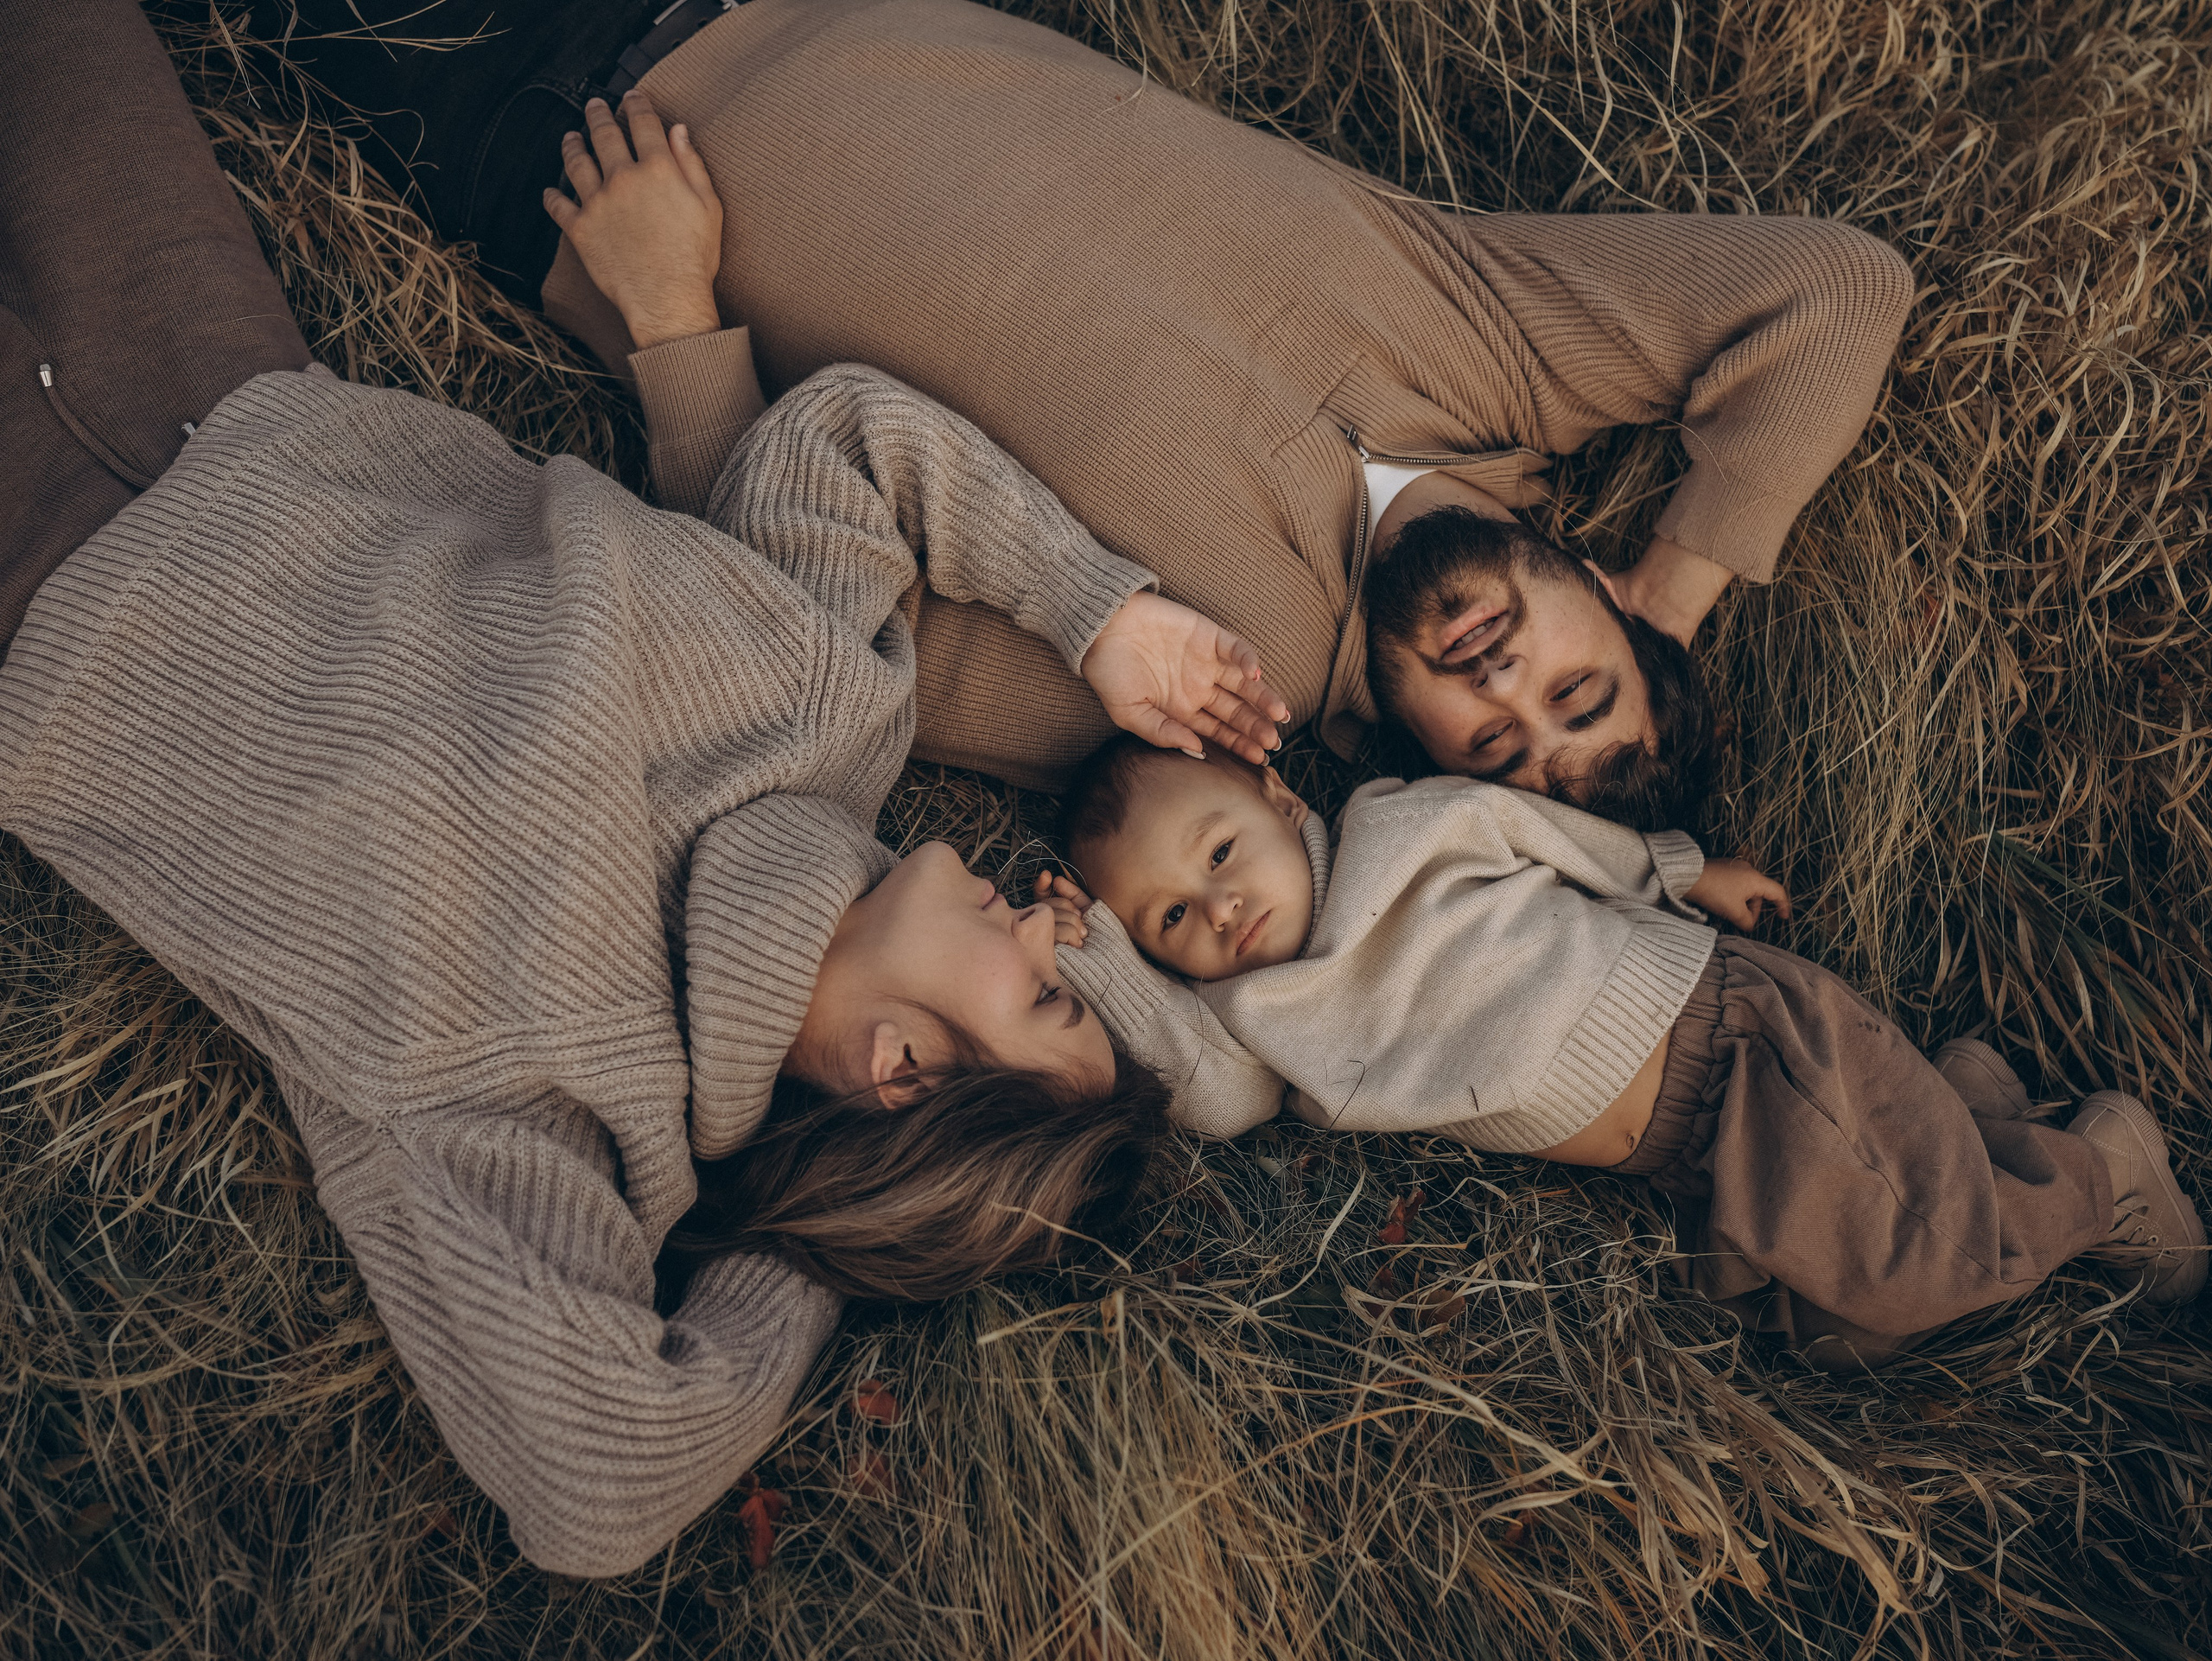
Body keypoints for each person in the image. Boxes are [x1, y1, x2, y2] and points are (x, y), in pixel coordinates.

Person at [0, 23, 1293, 1575]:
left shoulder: (552, 1105)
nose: (1049, 916)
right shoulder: (829, 719)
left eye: (1050, 989)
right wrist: (1094, 608)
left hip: (46, 616)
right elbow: (842, 445)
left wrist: (801, 1252)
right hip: (228, 382)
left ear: (896, 1074)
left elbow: (602, 1487)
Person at [244, 0, 1917, 823]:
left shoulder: (1190, 687)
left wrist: (668, 309)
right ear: (1602, 606)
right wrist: (1682, 589)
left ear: (1422, 764)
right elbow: (1833, 291)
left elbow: (799, 619)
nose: (1507, 691)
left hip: (551, 111)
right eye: (1576, 693)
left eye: (1499, 748)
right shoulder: (1506, 360)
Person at [1037, 735, 2206, 1370]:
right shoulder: (1256, 1027)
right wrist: (1086, 956)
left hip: (1734, 1037)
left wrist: (1683, 868)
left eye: (1221, 850)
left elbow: (1550, 836)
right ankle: (1966, 1114)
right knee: (1831, 1329)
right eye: (1172, 921)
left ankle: (2100, 1175)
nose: (1218, 906)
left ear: (1276, 794)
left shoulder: (1400, 831)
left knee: (1916, 1266)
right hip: (1686, 1158)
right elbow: (1195, 1084)